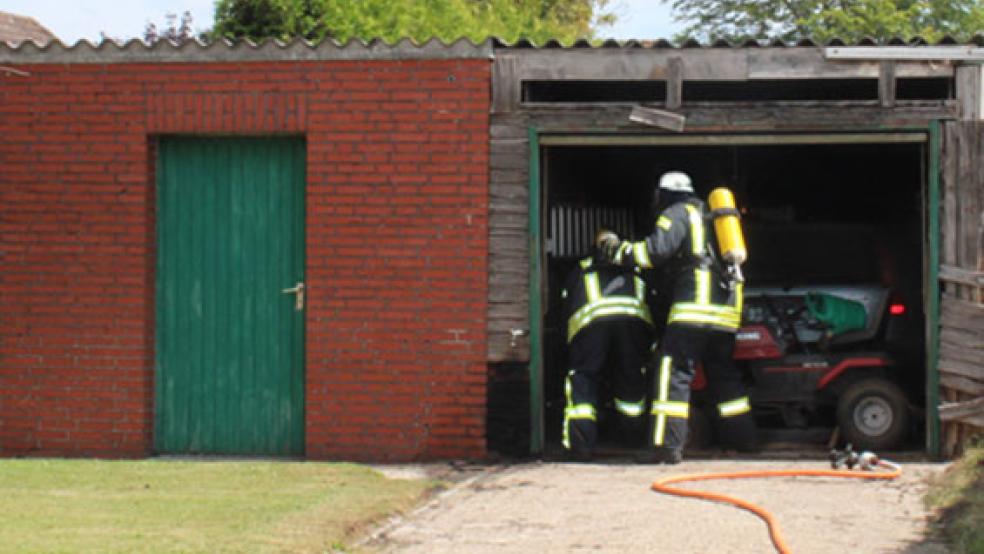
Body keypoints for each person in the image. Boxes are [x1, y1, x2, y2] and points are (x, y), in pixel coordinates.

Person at [600, 171, 757, 464]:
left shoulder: (676, 213)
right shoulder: (713, 215)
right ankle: (743, 439)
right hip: (725, 314)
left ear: (663, 194)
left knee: (672, 373)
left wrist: (616, 249)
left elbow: (652, 253)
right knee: (724, 376)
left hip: (693, 311)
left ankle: (666, 446)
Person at [560, 231, 655, 461]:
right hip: (632, 324)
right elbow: (654, 298)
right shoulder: (635, 266)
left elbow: (565, 300)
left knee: (584, 378)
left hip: (591, 326)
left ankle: (581, 446)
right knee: (631, 377)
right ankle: (634, 438)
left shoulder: (582, 267)